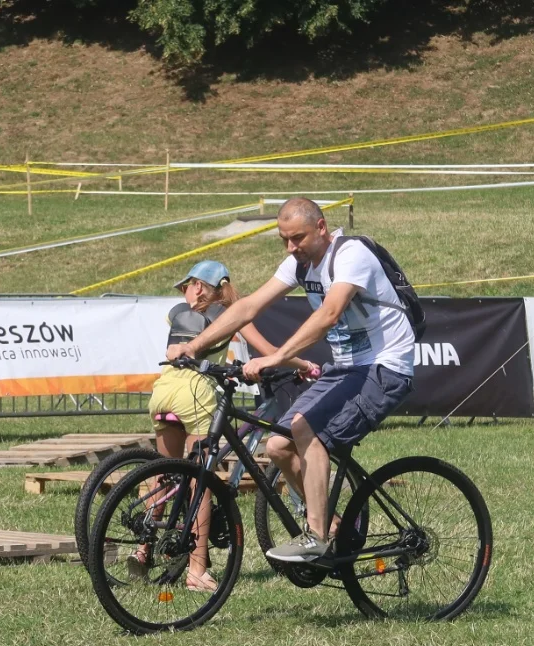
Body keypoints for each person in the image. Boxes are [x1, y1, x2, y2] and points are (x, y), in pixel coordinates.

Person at [167, 197, 415, 563]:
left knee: (306, 429)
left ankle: (315, 536)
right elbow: (249, 306)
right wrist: (196, 346)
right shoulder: (299, 264)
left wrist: (278, 357)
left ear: (321, 227)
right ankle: (332, 527)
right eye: (284, 239)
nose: (290, 247)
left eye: (297, 238)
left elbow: (330, 314)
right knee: (279, 446)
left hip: (385, 366)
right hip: (347, 369)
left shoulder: (351, 254)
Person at [140, 260, 316, 591]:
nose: (185, 291)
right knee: (200, 481)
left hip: (162, 391)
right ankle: (197, 569)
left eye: (188, 285)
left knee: (162, 473)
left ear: (197, 286)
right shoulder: (227, 311)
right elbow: (267, 350)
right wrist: (304, 364)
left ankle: (142, 549)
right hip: (194, 395)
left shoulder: (178, 312)